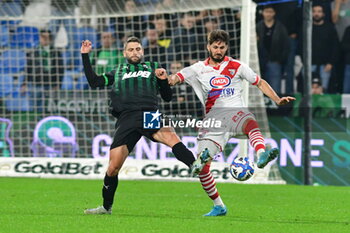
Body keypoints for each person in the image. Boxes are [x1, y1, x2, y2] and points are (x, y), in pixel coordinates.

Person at [164, 30, 295, 216]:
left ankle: (261, 154)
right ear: (208, 47)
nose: (218, 50)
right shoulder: (198, 68)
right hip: (213, 121)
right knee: (202, 169)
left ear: (227, 47)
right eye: (215, 47)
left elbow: (259, 82)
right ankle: (219, 206)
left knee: (249, 120)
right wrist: (165, 78)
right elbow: (175, 79)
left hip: (234, 113)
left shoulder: (237, 66)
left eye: (222, 47)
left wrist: (276, 99)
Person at [80, 36, 208, 215]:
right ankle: (106, 207)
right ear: (125, 53)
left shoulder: (153, 68)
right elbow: (94, 82)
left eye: (138, 49)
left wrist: (163, 80)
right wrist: (85, 56)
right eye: (131, 50)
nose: (135, 52)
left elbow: (167, 97)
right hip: (127, 117)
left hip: (149, 113)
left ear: (142, 51)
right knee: (113, 167)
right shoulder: (117, 71)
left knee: (171, 137)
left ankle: (195, 165)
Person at [26, 29, 64, 111]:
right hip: (36, 83)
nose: (44, 39)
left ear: (50, 39)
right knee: (35, 107)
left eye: (47, 37)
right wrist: (25, 82)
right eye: (43, 37)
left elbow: (60, 69)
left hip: (51, 83)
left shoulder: (56, 52)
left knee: (50, 108)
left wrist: (58, 83)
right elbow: (28, 68)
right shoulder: (34, 52)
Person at [256, 5, 290, 94]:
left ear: (274, 13)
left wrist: (281, 60)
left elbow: (286, 45)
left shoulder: (280, 27)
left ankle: (275, 107)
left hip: (275, 61)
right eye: (266, 12)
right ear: (263, 13)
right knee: (260, 88)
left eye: (270, 12)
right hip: (260, 62)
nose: (268, 14)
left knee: (275, 89)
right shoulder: (258, 27)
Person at [311, 4, 340, 93]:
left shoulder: (330, 29)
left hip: (325, 65)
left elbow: (335, 47)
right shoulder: (306, 28)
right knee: (309, 91)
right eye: (314, 11)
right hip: (309, 65)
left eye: (319, 12)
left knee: (324, 90)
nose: (316, 14)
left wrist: (331, 62)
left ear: (323, 14)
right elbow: (301, 46)